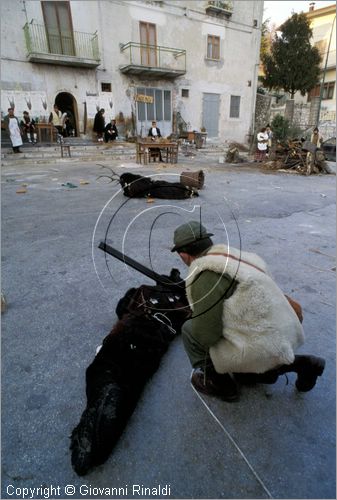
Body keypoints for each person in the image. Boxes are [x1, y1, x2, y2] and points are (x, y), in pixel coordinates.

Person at [171, 220, 325, 402]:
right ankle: (304, 364)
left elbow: (207, 336)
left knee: (190, 329)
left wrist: (199, 316)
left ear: (183, 255)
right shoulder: (234, 255)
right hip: (285, 328)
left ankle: (221, 385)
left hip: (264, 341)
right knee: (249, 376)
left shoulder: (205, 275)